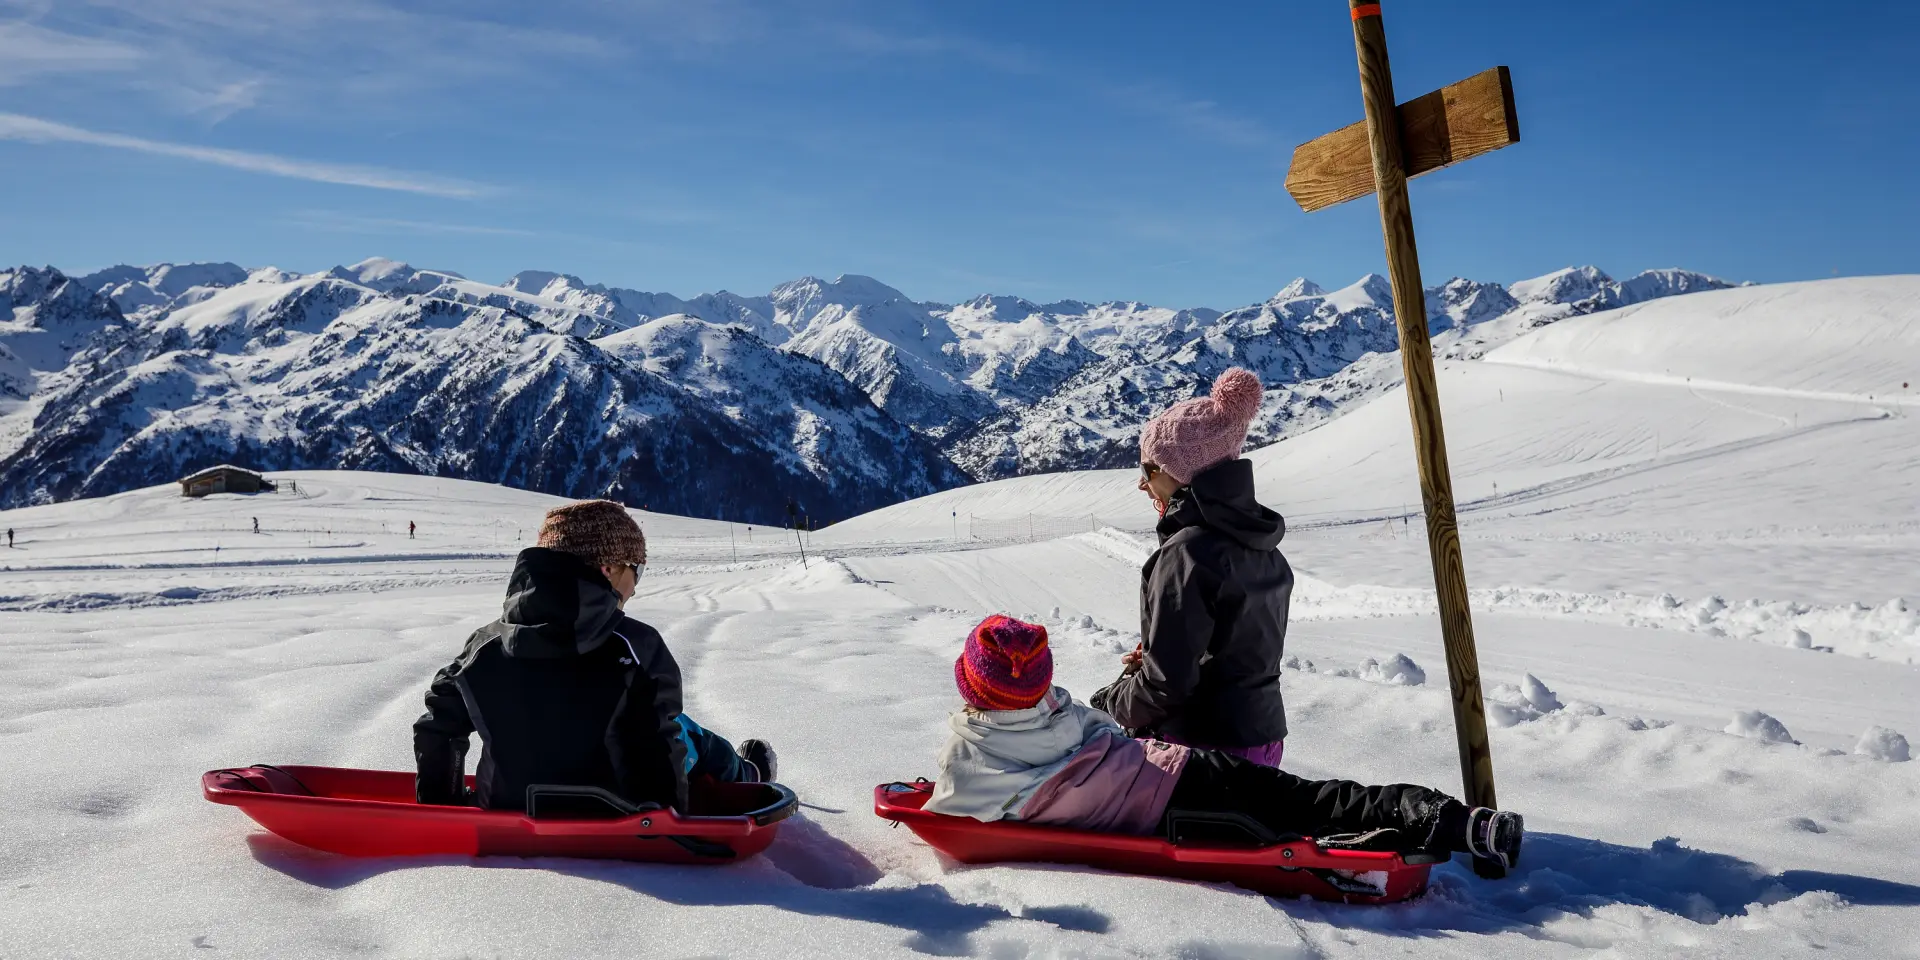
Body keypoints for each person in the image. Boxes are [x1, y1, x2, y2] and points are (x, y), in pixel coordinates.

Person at [929, 615, 1523, 867]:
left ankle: (1440, 826)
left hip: (1173, 806)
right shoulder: (1058, 710)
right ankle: (1453, 819)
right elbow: (1106, 729)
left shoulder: (970, 756)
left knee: (1305, 815)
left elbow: (947, 812)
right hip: (1182, 766)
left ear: (971, 686)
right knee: (1315, 799)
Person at [413, 499, 776, 812]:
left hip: (507, 808)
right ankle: (747, 775)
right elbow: (658, 749)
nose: (636, 586)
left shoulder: (484, 646)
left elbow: (439, 726)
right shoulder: (635, 646)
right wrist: (664, 819)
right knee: (688, 733)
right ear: (608, 568)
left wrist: (443, 805)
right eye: (637, 570)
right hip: (617, 815)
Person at [1090, 367, 1290, 767]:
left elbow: (1167, 688)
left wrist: (1109, 702)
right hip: (1263, 741)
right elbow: (1231, 651)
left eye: (1147, 470)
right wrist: (1156, 660)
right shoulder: (1261, 542)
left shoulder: (1187, 553)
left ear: (1178, 473)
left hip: (1203, 749)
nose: (1142, 484)